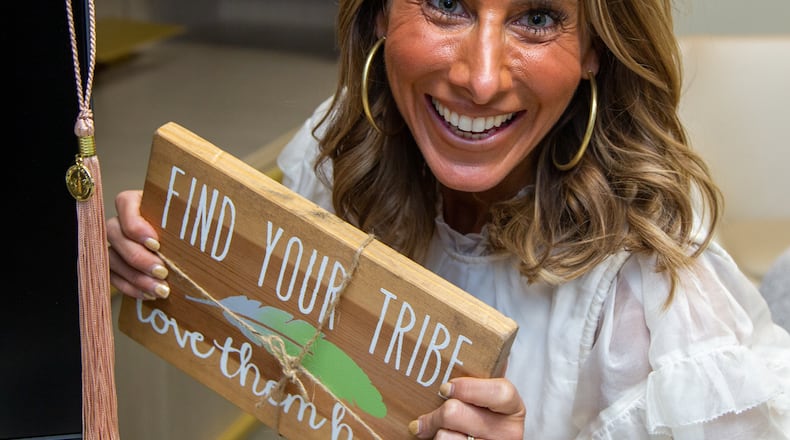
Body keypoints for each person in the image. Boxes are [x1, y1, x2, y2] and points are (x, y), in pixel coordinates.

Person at [107, 0, 790, 438]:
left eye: (539, 17)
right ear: (377, 15)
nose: (482, 78)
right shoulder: (337, 156)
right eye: (445, 4)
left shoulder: (652, 294)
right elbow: (296, 359)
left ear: (594, 52)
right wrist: (182, 254)